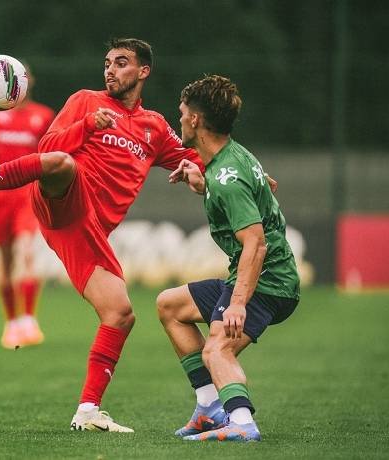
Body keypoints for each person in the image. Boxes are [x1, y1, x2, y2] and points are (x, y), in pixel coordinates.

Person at [0, 38, 204, 432]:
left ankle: (88, 411)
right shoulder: (85, 101)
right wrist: (87, 126)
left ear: (143, 71)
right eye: (107, 62)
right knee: (61, 163)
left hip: (89, 231)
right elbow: (48, 148)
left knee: (120, 314)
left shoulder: (155, 127)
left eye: (121, 63)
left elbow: (198, 160)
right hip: (63, 201)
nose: (110, 69)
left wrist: (217, 175)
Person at [157, 75, 300, 442]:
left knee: (217, 348)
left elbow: (256, 243)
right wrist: (202, 184)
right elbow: (260, 189)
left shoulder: (226, 177)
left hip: (267, 281)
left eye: (182, 113)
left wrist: (237, 304)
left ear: (195, 121)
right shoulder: (229, 159)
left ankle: (242, 424)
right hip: (258, 273)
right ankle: (208, 409)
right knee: (170, 306)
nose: (179, 119)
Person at [0, 65, 55, 349]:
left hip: (28, 194)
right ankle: (11, 322)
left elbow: (52, 155)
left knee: (26, 251)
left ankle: (29, 318)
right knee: (4, 260)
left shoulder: (43, 116)